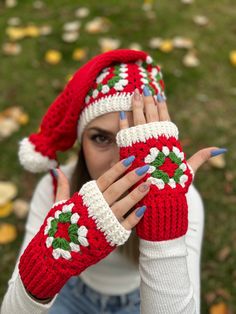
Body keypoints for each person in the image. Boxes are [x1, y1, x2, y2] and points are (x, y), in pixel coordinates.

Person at [0, 49, 227, 314]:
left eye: (136, 140)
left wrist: (164, 232)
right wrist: (41, 275)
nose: (119, 163)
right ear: (81, 141)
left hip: (141, 295)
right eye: (101, 138)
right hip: (69, 292)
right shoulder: (55, 190)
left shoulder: (181, 199)